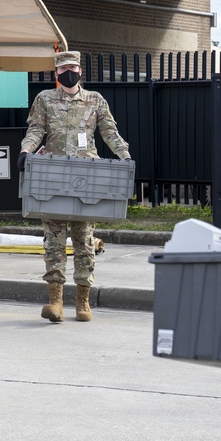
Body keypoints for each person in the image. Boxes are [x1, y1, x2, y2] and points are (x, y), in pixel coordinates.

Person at [18, 51, 131, 323]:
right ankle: (55, 302)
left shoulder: (95, 100)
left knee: (84, 241)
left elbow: (109, 132)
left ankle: (83, 303)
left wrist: (125, 157)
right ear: (56, 74)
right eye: (64, 68)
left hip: (86, 177)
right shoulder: (45, 99)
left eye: (74, 67)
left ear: (80, 71)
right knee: (54, 241)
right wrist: (26, 149)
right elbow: (36, 129)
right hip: (53, 173)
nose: (70, 72)